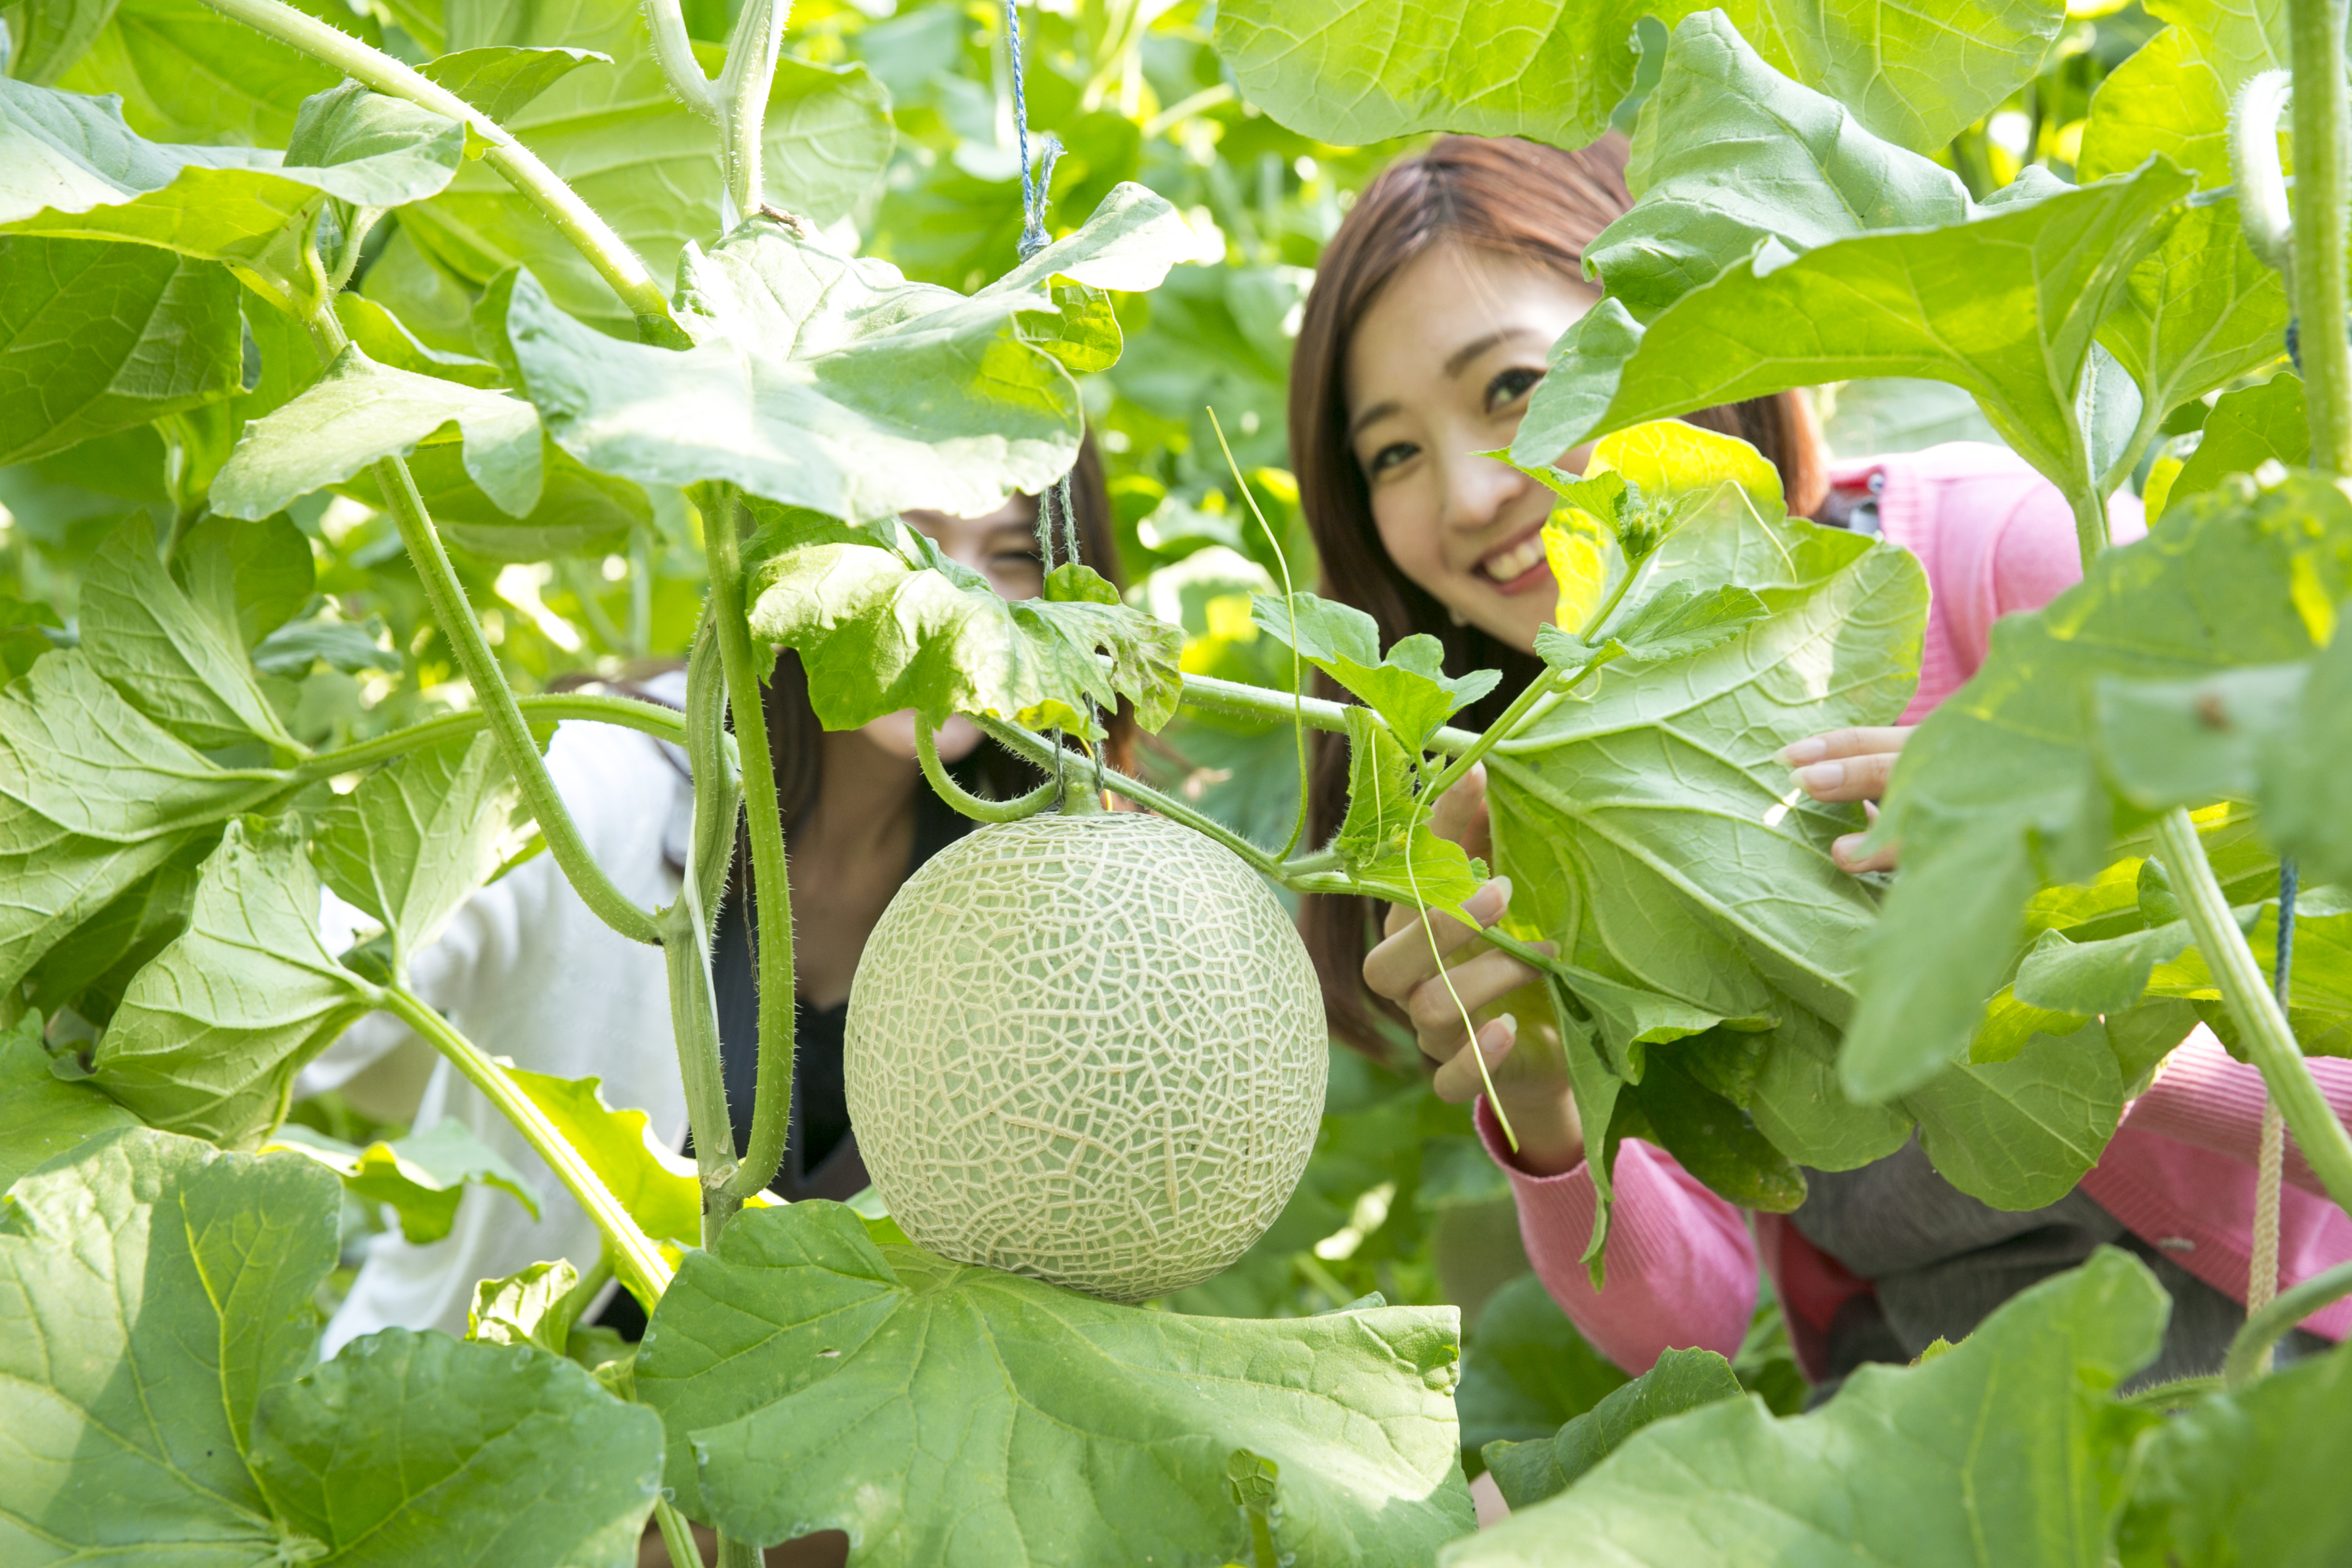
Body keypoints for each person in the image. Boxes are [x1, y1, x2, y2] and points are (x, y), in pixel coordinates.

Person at [1292, 133, 2352, 1392]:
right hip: (1930, 1425)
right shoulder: (1531, 811)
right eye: (1394, 454)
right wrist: (1548, 1106)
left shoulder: (2001, 548)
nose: (1467, 494)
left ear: (1681, 336)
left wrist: (2083, 996)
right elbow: (1685, 1329)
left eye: (1514, 386)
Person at [304, 442, 1130, 1351]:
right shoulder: (601, 776)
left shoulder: (1040, 882)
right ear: (801, 552)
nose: (962, 600)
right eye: (913, 542)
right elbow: (327, 970)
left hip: (805, 1480)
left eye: (1010, 560)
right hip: (471, 1444)